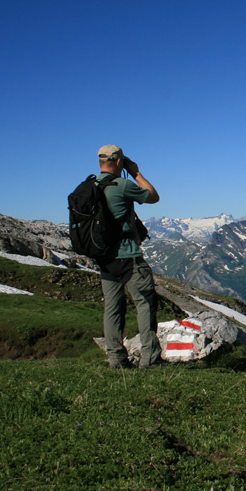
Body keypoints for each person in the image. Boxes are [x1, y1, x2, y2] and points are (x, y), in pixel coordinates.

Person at [95, 144, 164, 369]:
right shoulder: (122, 185)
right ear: (118, 162)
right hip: (130, 256)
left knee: (113, 308)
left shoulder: (90, 186)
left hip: (105, 259)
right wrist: (135, 172)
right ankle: (150, 359)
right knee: (144, 303)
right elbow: (153, 196)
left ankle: (116, 359)